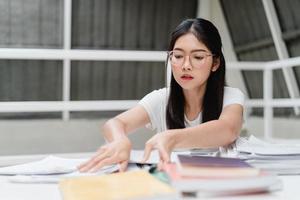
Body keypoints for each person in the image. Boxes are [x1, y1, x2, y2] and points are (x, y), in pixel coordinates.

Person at [78, 18, 244, 173]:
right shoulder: (162, 99)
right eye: (178, 56)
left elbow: (228, 130)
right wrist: (120, 140)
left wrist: (172, 138)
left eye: (198, 57)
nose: (186, 65)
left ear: (215, 63)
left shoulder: (231, 97)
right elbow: (114, 123)